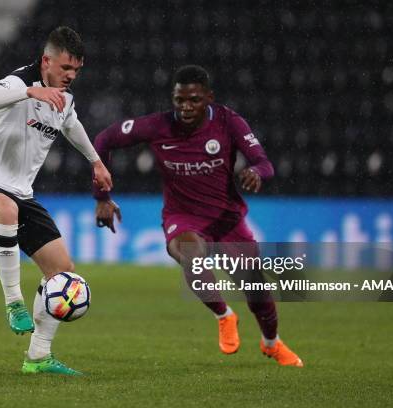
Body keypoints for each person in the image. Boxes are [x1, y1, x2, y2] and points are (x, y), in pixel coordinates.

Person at [93, 65, 303, 367]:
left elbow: (264, 162)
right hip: (183, 216)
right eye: (179, 100)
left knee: (255, 287)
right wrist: (101, 197)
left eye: (193, 100)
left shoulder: (229, 122)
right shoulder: (157, 126)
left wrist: (256, 172)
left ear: (208, 98)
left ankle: (272, 343)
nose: (185, 107)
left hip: (226, 218)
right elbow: (103, 140)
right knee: (190, 253)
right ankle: (224, 315)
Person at [0, 26, 112, 375]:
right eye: (64, 69)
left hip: (22, 193)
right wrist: (31, 92)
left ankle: (38, 357)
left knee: (63, 274)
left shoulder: (65, 98)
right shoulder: (18, 82)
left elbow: (71, 124)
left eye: (76, 71)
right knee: (6, 210)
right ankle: (14, 303)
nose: (70, 77)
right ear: (46, 61)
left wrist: (96, 162)